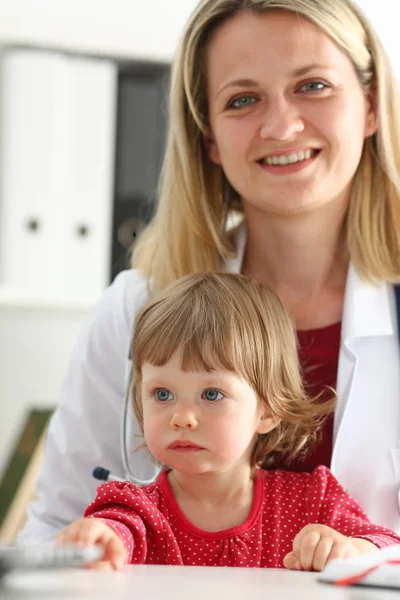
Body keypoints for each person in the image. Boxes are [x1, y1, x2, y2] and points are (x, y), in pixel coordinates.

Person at [19, 0, 400, 542]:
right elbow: (56, 527)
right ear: (209, 139)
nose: (282, 124)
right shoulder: (137, 306)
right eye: (243, 99)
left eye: (312, 86)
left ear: (370, 104)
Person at [56, 273, 400, 571]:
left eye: (211, 395)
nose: (182, 418)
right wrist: (97, 539)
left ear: (266, 410)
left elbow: (388, 546)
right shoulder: (136, 511)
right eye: (162, 394)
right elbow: (114, 533)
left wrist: (352, 549)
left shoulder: (310, 501)